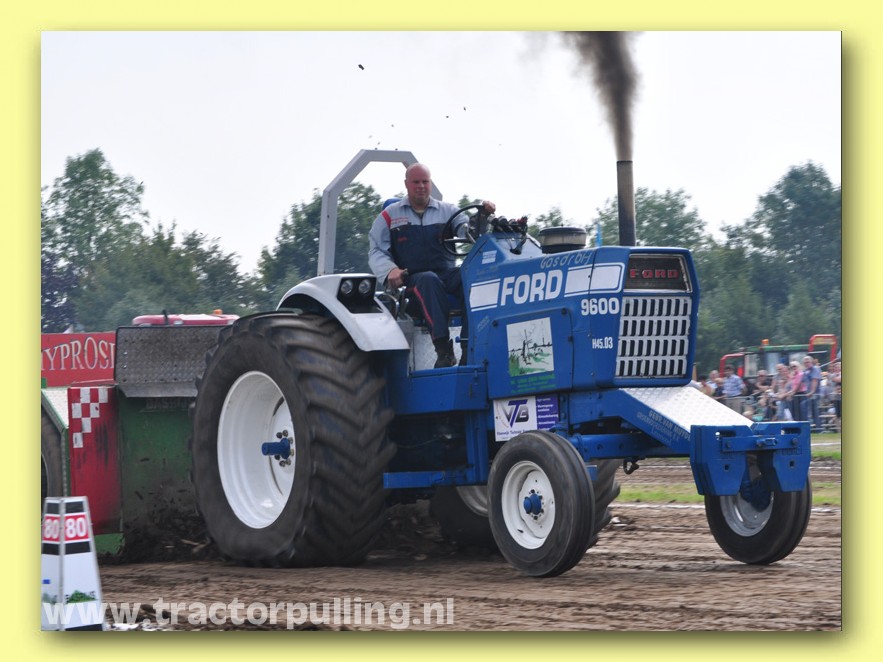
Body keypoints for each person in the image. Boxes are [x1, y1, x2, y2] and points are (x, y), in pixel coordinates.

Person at [368, 163, 495, 368]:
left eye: (425, 182)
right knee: (428, 280)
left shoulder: (448, 211)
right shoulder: (390, 215)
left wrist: (482, 217)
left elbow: (469, 232)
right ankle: (443, 350)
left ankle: (469, 348)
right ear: (406, 184)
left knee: (471, 277)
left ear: (430, 183)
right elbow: (376, 250)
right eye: (416, 182)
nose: (421, 186)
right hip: (411, 280)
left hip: (445, 274)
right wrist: (390, 269)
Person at [800, 354, 823, 431]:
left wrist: (812, 392)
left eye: (808, 362)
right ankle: (812, 427)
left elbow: (814, 381)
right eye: (805, 362)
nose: (806, 364)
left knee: (815, 411)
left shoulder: (815, 369)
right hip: (808, 394)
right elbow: (802, 382)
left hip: (815, 394)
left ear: (811, 362)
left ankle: (819, 428)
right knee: (810, 409)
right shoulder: (805, 371)